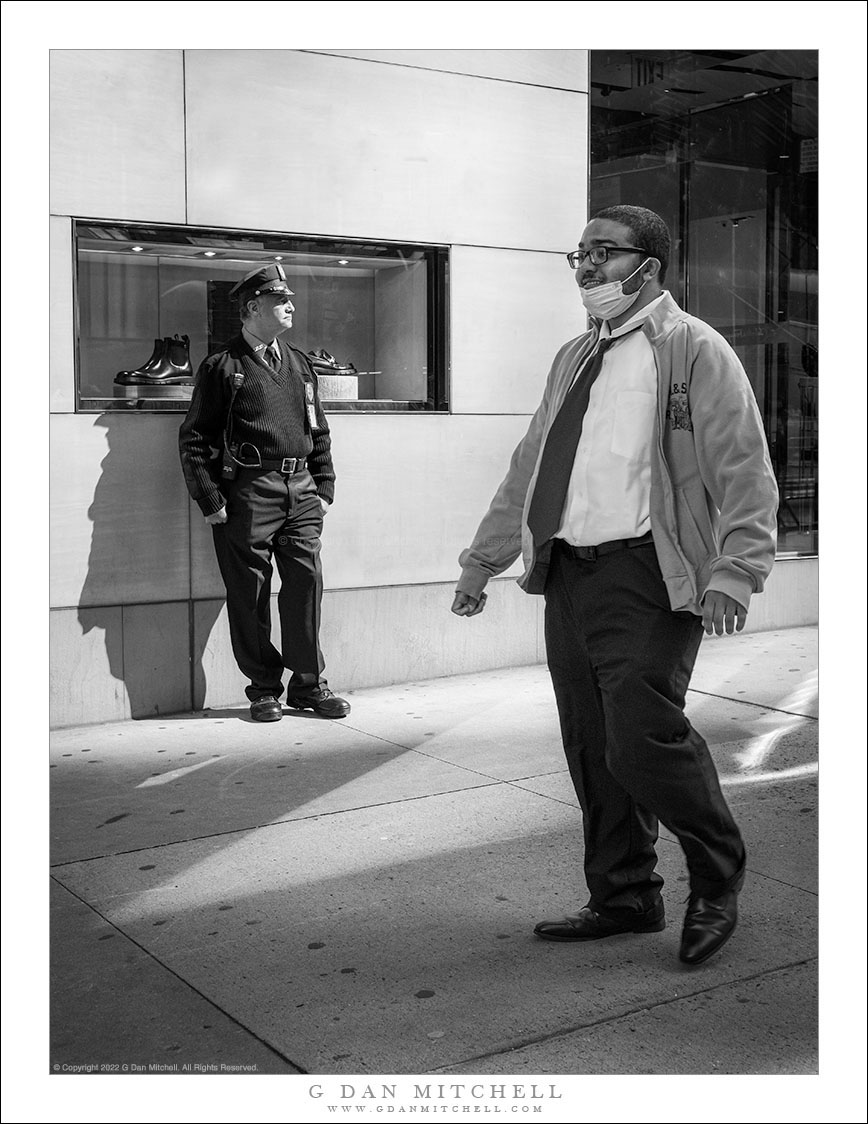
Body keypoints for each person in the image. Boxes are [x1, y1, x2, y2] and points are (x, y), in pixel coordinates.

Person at [452, 206, 778, 966]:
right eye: (580, 253)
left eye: (605, 253)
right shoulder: (573, 357)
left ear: (649, 268)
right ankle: (625, 895)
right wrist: (484, 559)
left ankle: (717, 879)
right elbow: (529, 465)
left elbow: (743, 468)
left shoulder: (694, 349)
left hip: (649, 574)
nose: (587, 267)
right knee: (593, 747)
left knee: (642, 739)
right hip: (570, 571)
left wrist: (736, 569)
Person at [179, 264, 350, 721]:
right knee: (249, 591)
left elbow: (319, 429)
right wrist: (210, 499)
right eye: (281, 300)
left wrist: (324, 486)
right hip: (248, 491)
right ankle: (263, 688)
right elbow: (195, 437)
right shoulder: (223, 366)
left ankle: (309, 684)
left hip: (301, 489)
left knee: (305, 584)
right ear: (254, 307)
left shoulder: (299, 362)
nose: (291, 306)